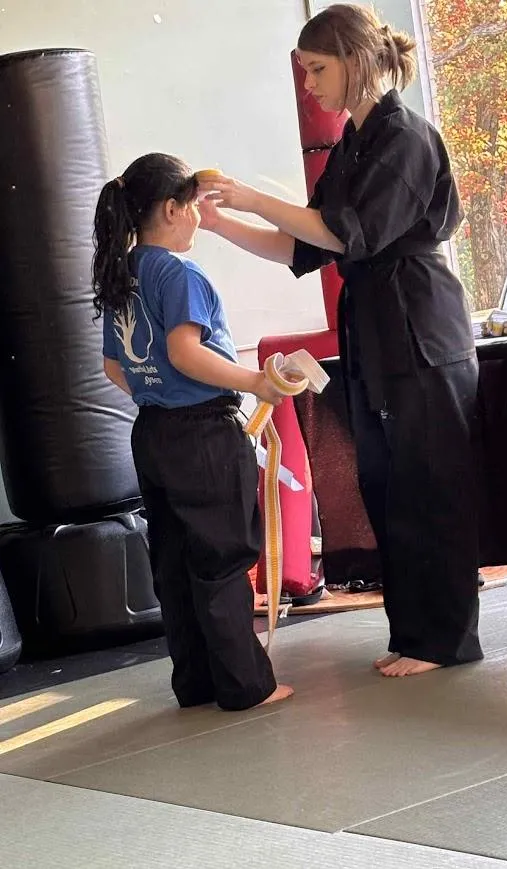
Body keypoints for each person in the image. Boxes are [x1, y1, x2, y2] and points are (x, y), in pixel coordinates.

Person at [197, 4, 484, 678]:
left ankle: (445, 638)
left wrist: (252, 196)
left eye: (318, 69)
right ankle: (413, 631)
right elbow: (305, 243)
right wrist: (219, 224)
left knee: (427, 484)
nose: (310, 86)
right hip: (374, 333)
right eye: (304, 73)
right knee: (383, 483)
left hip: (418, 329)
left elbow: (347, 232)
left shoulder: (407, 137)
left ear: (355, 61)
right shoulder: (353, 144)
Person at [92, 152, 293, 710]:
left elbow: (114, 367)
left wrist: (157, 396)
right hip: (202, 434)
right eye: (194, 208)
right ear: (173, 208)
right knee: (222, 557)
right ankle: (249, 686)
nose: (200, 219)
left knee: (176, 562)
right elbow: (185, 352)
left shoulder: (123, 269)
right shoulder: (178, 273)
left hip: (154, 433)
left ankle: (196, 682)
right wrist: (256, 380)